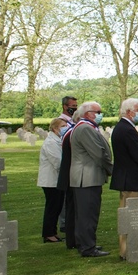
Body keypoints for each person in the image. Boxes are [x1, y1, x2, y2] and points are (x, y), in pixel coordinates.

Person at [109, 98, 138, 260]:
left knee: (126, 214)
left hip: (125, 178)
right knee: (134, 217)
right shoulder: (126, 129)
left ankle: (125, 249)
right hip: (132, 179)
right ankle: (131, 249)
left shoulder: (121, 127)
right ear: (129, 111)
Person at [69, 101, 113, 257]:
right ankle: (88, 247)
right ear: (88, 113)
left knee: (85, 213)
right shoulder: (85, 128)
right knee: (88, 214)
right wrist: (111, 169)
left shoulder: (84, 127)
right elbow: (99, 153)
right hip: (86, 177)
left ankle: (85, 243)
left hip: (85, 177)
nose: (100, 114)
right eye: (98, 111)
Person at [37, 118, 66, 243]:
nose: (65, 127)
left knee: (57, 206)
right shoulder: (50, 142)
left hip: (56, 180)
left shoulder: (57, 140)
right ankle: (48, 233)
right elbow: (58, 162)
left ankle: (52, 232)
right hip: (50, 180)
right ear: (55, 128)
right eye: (63, 126)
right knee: (52, 207)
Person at [57, 95, 78, 232]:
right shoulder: (61, 122)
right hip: (66, 163)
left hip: (75, 163)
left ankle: (71, 221)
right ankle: (65, 223)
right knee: (65, 197)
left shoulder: (75, 121)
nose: (75, 108)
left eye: (76, 106)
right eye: (73, 106)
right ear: (65, 107)